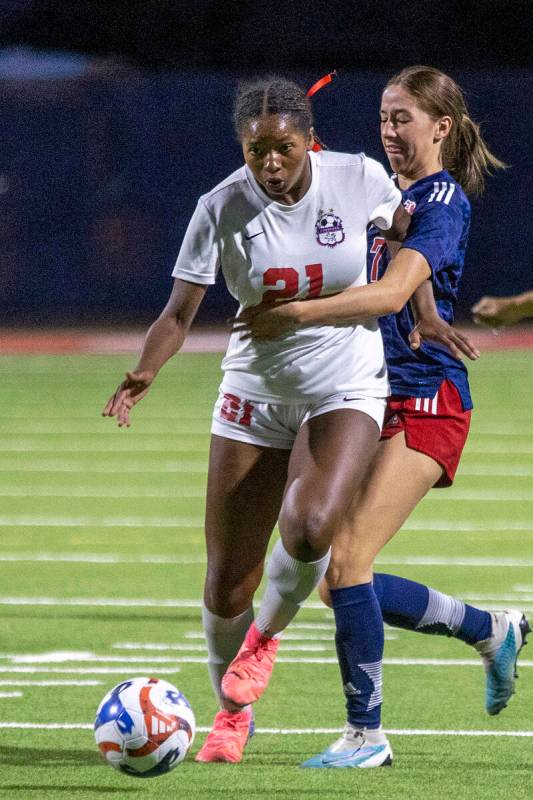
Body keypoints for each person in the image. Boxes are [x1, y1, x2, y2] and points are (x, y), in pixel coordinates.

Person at [103, 74, 431, 763]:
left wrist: (423, 309)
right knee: (228, 580)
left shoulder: (357, 178)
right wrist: (146, 370)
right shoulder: (220, 206)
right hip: (254, 393)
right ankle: (231, 715)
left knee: (311, 528)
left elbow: (413, 247)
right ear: (242, 149)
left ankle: (262, 644)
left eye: (283, 148)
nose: (271, 164)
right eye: (256, 152)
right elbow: (178, 312)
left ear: (309, 139)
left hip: (345, 382)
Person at [225, 66, 529, 769]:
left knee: (348, 565)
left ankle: (366, 737)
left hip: (427, 402)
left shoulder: (442, 198)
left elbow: (390, 292)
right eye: (384, 118)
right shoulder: (391, 195)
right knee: (339, 581)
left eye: (403, 119)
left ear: (440, 128)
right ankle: (490, 628)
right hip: (373, 393)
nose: (389, 132)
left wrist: (293, 313)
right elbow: (405, 281)